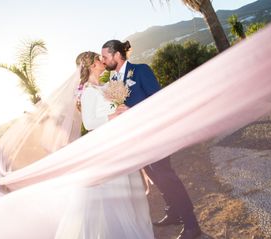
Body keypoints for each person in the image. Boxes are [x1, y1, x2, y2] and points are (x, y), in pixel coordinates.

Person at [101, 40, 202, 239]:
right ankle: (173, 213)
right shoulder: (113, 80)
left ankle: (192, 224)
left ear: (117, 55)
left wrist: (133, 110)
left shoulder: (140, 70)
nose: (103, 61)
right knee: (155, 177)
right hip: (135, 139)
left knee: (167, 177)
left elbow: (158, 100)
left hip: (153, 134)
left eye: (105, 56)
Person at [55, 51, 155, 239]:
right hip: (107, 147)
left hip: (119, 141)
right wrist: (111, 116)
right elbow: (89, 122)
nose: (102, 61)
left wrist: (121, 109)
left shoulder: (104, 86)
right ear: (92, 65)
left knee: (131, 191)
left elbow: (112, 108)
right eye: (98, 59)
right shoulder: (87, 91)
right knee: (117, 193)